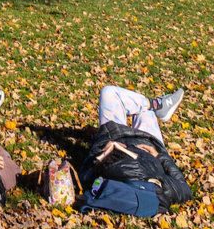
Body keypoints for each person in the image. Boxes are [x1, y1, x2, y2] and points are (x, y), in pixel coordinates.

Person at [79, 84, 191, 217]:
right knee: (146, 112)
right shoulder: (164, 191)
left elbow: (86, 176)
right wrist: (159, 156)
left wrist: (104, 153)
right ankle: (156, 105)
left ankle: (156, 104)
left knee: (108, 92)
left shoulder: (117, 186)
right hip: (149, 141)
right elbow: (185, 189)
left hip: (115, 135)